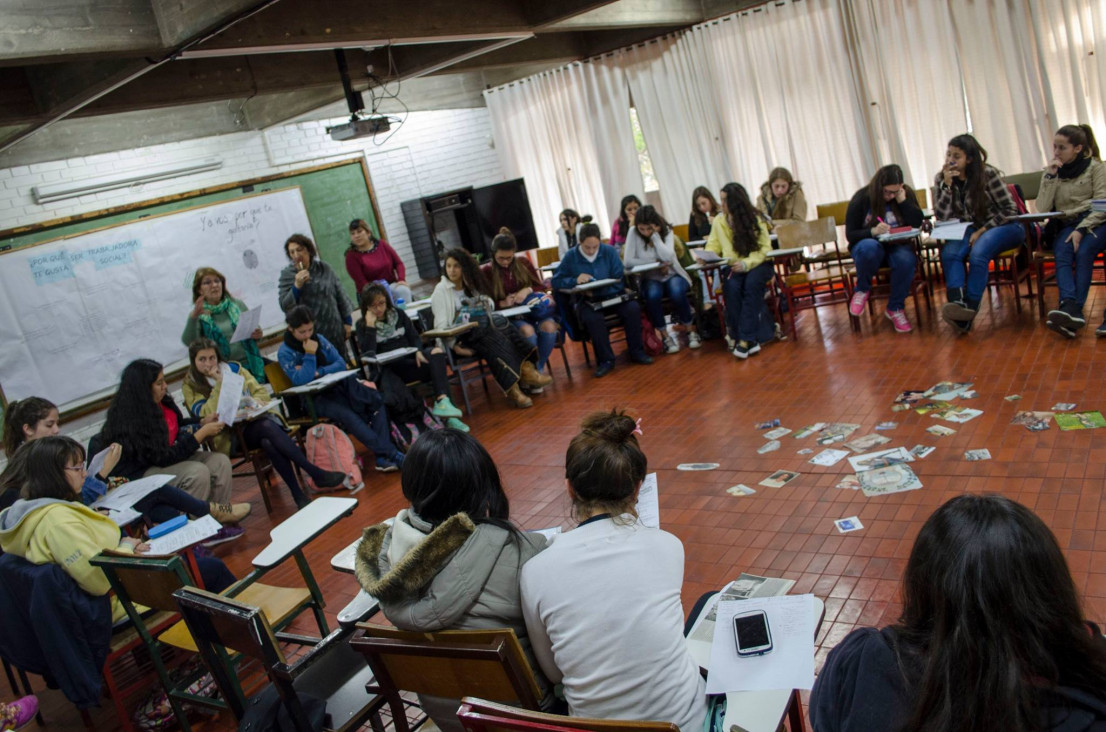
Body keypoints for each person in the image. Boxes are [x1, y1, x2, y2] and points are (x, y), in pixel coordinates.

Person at [809, 494, 1106, 731]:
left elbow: (822, 715)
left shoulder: (862, 661)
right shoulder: (1086, 679)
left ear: (923, 586)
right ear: (1049, 592)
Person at [520, 410, 708, 732]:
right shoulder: (668, 546)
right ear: (638, 489)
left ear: (570, 489)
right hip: (688, 723)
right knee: (708, 602)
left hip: (595, 727)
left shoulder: (535, 571)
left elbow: (554, 673)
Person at [354, 429, 551, 732]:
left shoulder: (389, 556)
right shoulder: (522, 553)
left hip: (449, 718)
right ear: (481, 485)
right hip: (526, 718)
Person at [0, 438, 238, 624]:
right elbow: (99, 580)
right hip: (116, 603)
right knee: (210, 569)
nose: (84, 473)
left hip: (107, 593)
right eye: (77, 468)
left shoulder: (33, 511)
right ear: (53, 474)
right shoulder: (57, 522)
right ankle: (244, 635)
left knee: (186, 555)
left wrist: (126, 544)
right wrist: (126, 547)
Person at [1, 396, 249, 531]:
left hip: (83, 513)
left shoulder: (38, 456)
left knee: (161, 503)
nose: (56, 430)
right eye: (49, 425)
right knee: (157, 492)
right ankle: (210, 516)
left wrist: (101, 481)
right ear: (27, 429)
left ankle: (206, 526)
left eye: (57, 424)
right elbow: (69, 505)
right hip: (79, 523)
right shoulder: (33, 465)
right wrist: (100, 476)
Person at [183, 339, 348, 508]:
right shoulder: (191, 385)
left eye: (212, 358)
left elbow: (261, 392)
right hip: (229, 435)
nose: (209, 364)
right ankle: (315, 473)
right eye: (202, 359)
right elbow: (204, 414)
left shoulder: (234, 369)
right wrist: (220, 385)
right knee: (267, 428)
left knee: (268, 441)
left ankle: (298, 495)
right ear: (193, 361)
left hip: (254, 421)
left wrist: (253, 402)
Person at [97, 359, 245, 523]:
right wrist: (200, 435)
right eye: (159, 383)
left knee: (220, 462)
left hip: (167, 459)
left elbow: (177, 424)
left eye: (164, 380)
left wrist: (201, 422)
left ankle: (219, 520)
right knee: (196, 472)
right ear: (144, 389)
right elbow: (164, 457)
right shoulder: (133, 419)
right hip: (144, 471)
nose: (165, 386)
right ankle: (198, 527)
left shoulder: (162, 401)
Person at [278, 305, 405, 473]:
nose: (307, 335)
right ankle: (392, 454)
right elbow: (301, 380)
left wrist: (319, 372)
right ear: (290, 329)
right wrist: (309, 355)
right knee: (348, 415)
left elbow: (340, 363)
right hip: (314, 398)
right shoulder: (285, 352)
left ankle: (381, 457)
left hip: (338, 386)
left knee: (375, 400)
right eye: (302, 332)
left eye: (310, 329)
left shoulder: (319, 339)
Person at [430, 248, 552, 409]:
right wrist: (454, 346)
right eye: (449, 266)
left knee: (494, 332)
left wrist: (486, 303)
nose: (451, 270)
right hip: (461, 339)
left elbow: (488, 302)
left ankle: (514, 388)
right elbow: (440, 326)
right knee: (497, 324)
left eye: (456, 266)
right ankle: (526, 371)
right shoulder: (441, 291)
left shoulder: (470, 284)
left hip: (483, 333)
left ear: (465, 268)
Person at [934, 134, 1024, 333]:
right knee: (950, 253)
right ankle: (958, 306)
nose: (950, 160)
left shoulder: (987, 174)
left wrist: (983, 230)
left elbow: (1010, 210)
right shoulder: (942, 178)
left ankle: (970, 307)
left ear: (970, 159)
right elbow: (943, 216)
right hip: (970, 227)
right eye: (948, 154)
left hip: (1004, 227)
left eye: (956, 156)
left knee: (978, 253)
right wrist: (946, 187)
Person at [355, 284, 469, 432]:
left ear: (387, 301)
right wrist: (370, 327)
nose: (378, 309)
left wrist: (418, 351)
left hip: (410, 363)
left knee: (436, 352)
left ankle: (444, 404)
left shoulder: (398, 315)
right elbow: (367, 354)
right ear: (366, 307)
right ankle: (447, 418)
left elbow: (414, 337)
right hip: (390, 371)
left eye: (381, 303)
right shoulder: (363, 325)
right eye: (373, 306)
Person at [551, 223, 652, 379]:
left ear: (600, 241)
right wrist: (574, 280)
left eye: (595, 247)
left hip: (614, 295)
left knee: (632, 308)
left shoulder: (609, 251)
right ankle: (606, 360)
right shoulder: (571, 256)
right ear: (580, 242)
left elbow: (618, 275)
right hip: (587, 300)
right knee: (593, 319)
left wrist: (599, 287)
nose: (591, 250)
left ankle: (637, 352)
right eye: (587, 247)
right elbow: (556, 282)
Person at [1038, 124, 1106, 337]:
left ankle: (1072, 310)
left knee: (1084, 251)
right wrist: (1050, 178)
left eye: (1062, 148)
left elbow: (1102, 204)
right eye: (1054, 147)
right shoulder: (1052, 172)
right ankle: (1070, 306)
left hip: (1095, 221)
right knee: (1063, 253)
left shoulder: (1096, 168)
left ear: (1077, 148)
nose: (1056, 153)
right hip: (1066, 223)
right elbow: (1042, 208)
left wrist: (1081, 228)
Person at [844, 165, 924, 333]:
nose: (890, 196)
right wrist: (872, 231)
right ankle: (862, 289)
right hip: (870, 247)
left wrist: (903, 202)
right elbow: (851, 234)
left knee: (906, 260)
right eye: (887, 192)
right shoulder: (862, 198)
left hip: (897, 245)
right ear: (879, 186)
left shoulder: (904, 195)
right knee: (869, 248)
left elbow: (917, 222)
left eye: (895, 192)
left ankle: (895, 308)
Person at [708, 183, 776, 358]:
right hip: (734, 266)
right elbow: (714, 244)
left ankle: (743, 339)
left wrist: (746, 264)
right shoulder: (719, 220)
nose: (721, 204)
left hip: (759, 263)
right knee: (731, 287)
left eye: (725, 200)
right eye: (721, 199)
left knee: (752, 284)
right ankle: (750, 340)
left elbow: (764, 248)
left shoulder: (755, 218)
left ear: (736, 201)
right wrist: (706, 255)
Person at [622, 205, 700, 353]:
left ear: (655, 225)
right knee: (652, 296)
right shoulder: (633, 232)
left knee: (676, 292)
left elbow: (669, 257)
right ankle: (665, 337)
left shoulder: (666, 231)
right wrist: (656, 262)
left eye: (648, 229)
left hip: (672, 274)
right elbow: (628, 262)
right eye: (642, 229)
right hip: (651, 277)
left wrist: (655, 238)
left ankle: (691, 331)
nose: (645, 232)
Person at [481, 228, 560, 373]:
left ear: (514, 254)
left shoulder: (523, 263)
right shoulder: (487, 271)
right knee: (527, 330)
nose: (505, 262)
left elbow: (540, 287)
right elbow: (484, 302)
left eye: (509, 258)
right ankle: (534, 373)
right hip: (510, 318)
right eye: (501, 258)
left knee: (550, 327)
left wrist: (527, 290)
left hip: (535, 312)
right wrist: (502, 303)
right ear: (493, 255)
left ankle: (536, 370)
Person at [180, 267, 266, 382]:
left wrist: (257, 333)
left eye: (217, 281)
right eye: (207, 282)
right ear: (199, 290)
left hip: (252, 363)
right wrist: (194, 317)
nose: (214, 285)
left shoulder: (236, 305)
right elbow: (189, 342)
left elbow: (252, 327)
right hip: (224, 372)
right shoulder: (199, 314)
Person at [278, 233, 353, 355]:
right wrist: (296, 286)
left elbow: (340, 294)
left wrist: (348, 321)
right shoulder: (288, 275)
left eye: (299, 250)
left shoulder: (324, 268)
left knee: (341, 362)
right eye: (292, 252)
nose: (296, 255)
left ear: (309, 250)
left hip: (334, 327)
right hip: (311, 333)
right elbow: (284, 305)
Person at [344, 218, 413, 304]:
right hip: (370, 291)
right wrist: (381, 292)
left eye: (359, 231)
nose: (356, 236)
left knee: (403, 290)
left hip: (390, 285)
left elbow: (398, 263)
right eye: (353, 234)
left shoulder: (382, 245)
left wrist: (401, 279)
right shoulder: (351, 256)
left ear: (368, 232)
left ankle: (408, 315)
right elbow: (362, 282)